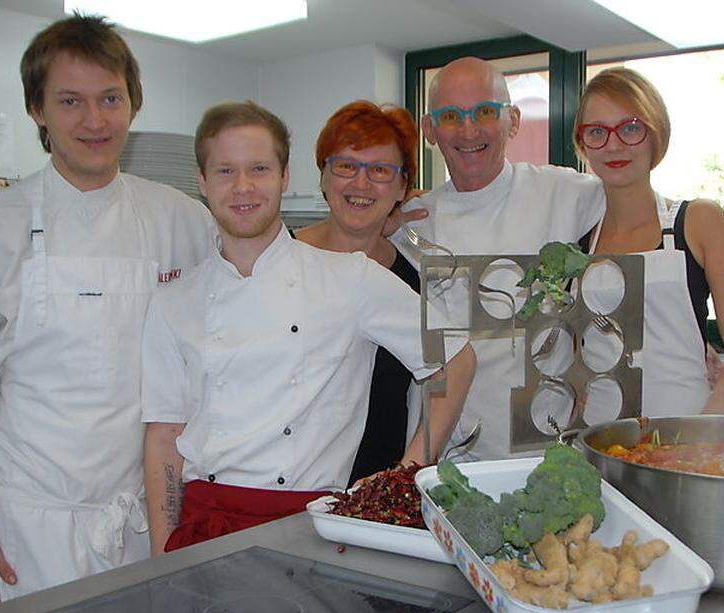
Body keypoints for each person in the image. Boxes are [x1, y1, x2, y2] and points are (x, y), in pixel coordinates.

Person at [0, 14, 215, 606]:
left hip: (145, 516)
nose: (95, 120)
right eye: (71, 100)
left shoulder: (182, 220)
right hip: (28, 520)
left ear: (133, 105)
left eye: (110, 98)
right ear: (38, 111)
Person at [141, 101, 475, 555]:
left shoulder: (351, 278)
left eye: (258, 168)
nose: (242, 187)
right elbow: (163, 438)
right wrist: (162, 552)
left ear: (284, 178)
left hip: (309, 525)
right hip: (205, 526)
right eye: (224, 171)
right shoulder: (173, 300)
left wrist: (408, 472)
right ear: (202, 182)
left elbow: (455, 358)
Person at [388, 56, 606, 461]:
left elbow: (640, 219)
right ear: (429, 130)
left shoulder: (567, 194)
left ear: (514, 120)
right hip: (442, 454)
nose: (468, 129)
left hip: (540, 455)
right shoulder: (412, 222)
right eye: (450, 115)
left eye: (485, 111)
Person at [574, 67, 724, 416]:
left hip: (685, 435)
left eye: (630, 128)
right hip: (597, 442)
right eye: (597, 132)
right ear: (583, 144)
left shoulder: (699, 222)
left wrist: (692, 448)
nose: (613, 144)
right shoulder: (579, 243)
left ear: (656, 135)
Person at [296, 101, 428, 484]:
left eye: (380, 171)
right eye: (346, 166)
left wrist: (407, 472)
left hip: (376, 493)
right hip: (286, 490)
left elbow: (447, 374)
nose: (361, 183)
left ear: (403, 186)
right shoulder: (279, 263)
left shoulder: (413, 279)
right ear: (323, 176)